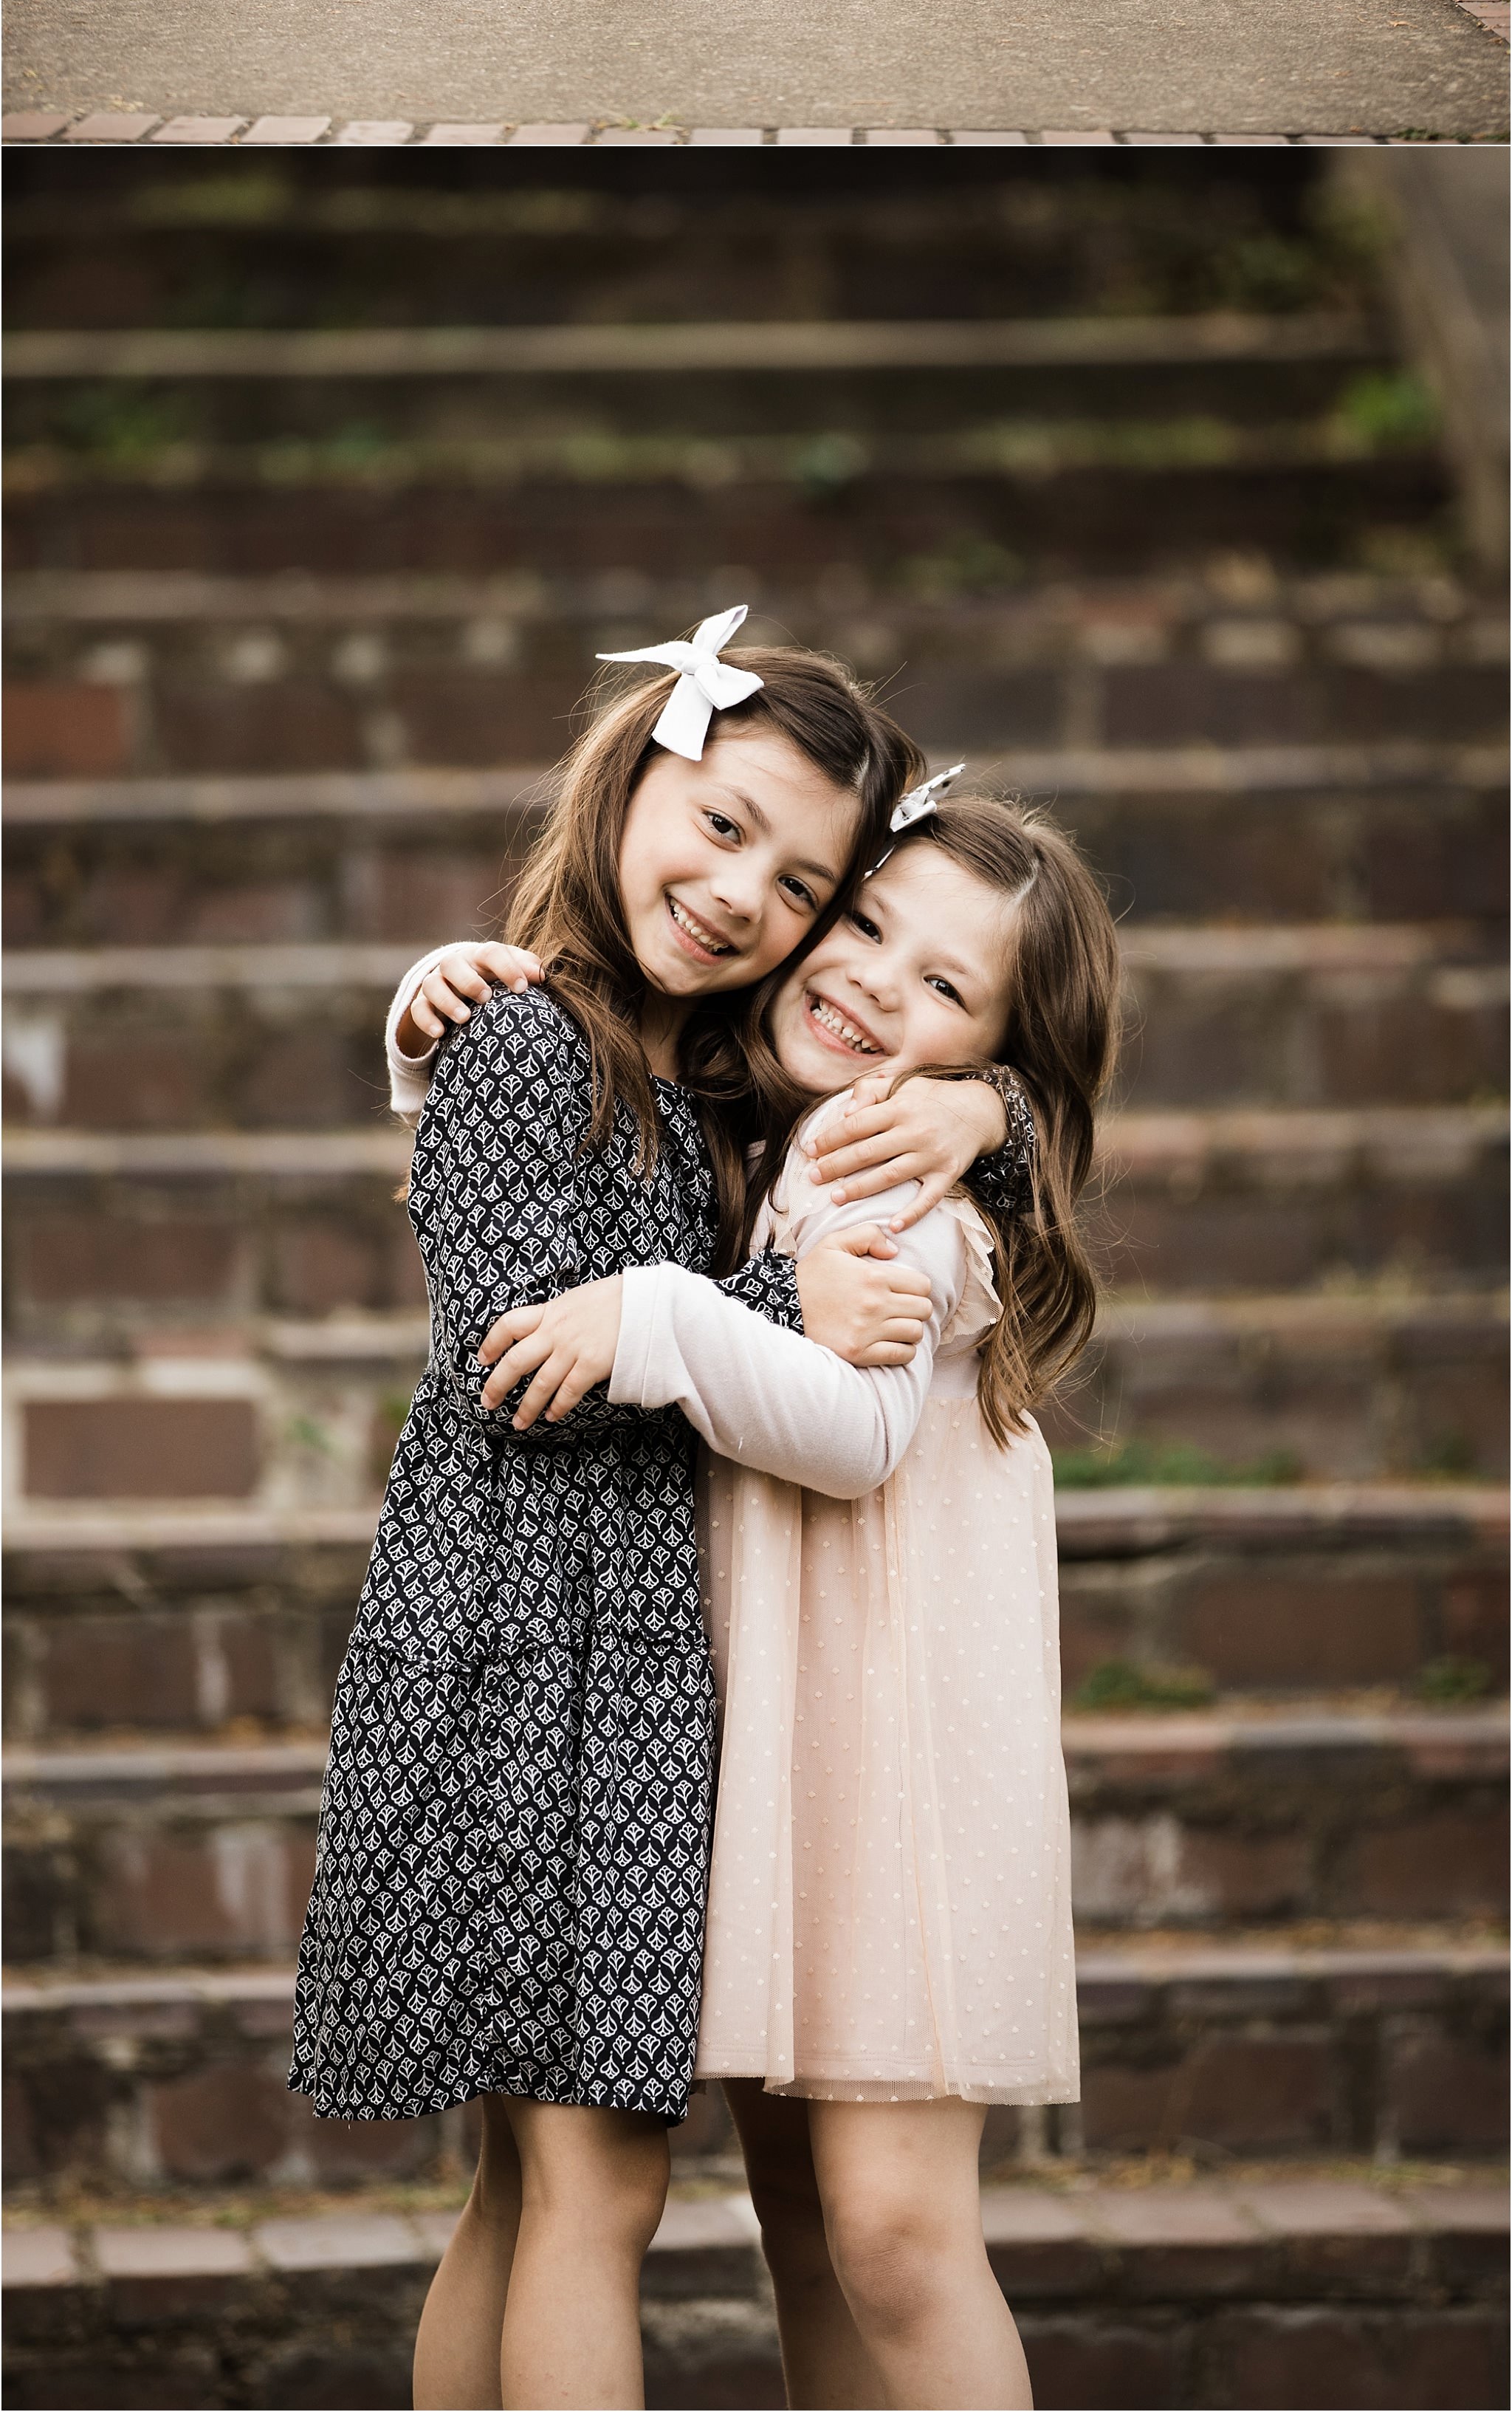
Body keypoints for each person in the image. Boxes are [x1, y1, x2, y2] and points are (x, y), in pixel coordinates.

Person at [294, 615, 1025, 2412]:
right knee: (589, 2187)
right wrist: (783, 1313)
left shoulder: (699, 1076)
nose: (736, 893)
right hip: (523, 1667)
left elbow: (889, 1109)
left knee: (530, 2183)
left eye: (796, 877)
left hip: (606, 1675)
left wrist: (980, 1096)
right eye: (716, 826)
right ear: (633, 774)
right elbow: (523, 1340)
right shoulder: (528, 1040)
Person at [481, 778, 1121, 2412]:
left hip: (899, 1768)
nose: (872, 982)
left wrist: (656, 1312)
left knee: (898, 2233)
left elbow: (846, 1434)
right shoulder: (782, 1127)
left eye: (944, 989)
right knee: (805, 2218)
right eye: (868, 926)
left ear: (993, 1058)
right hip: (790, 1746)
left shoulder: (901, 1168)